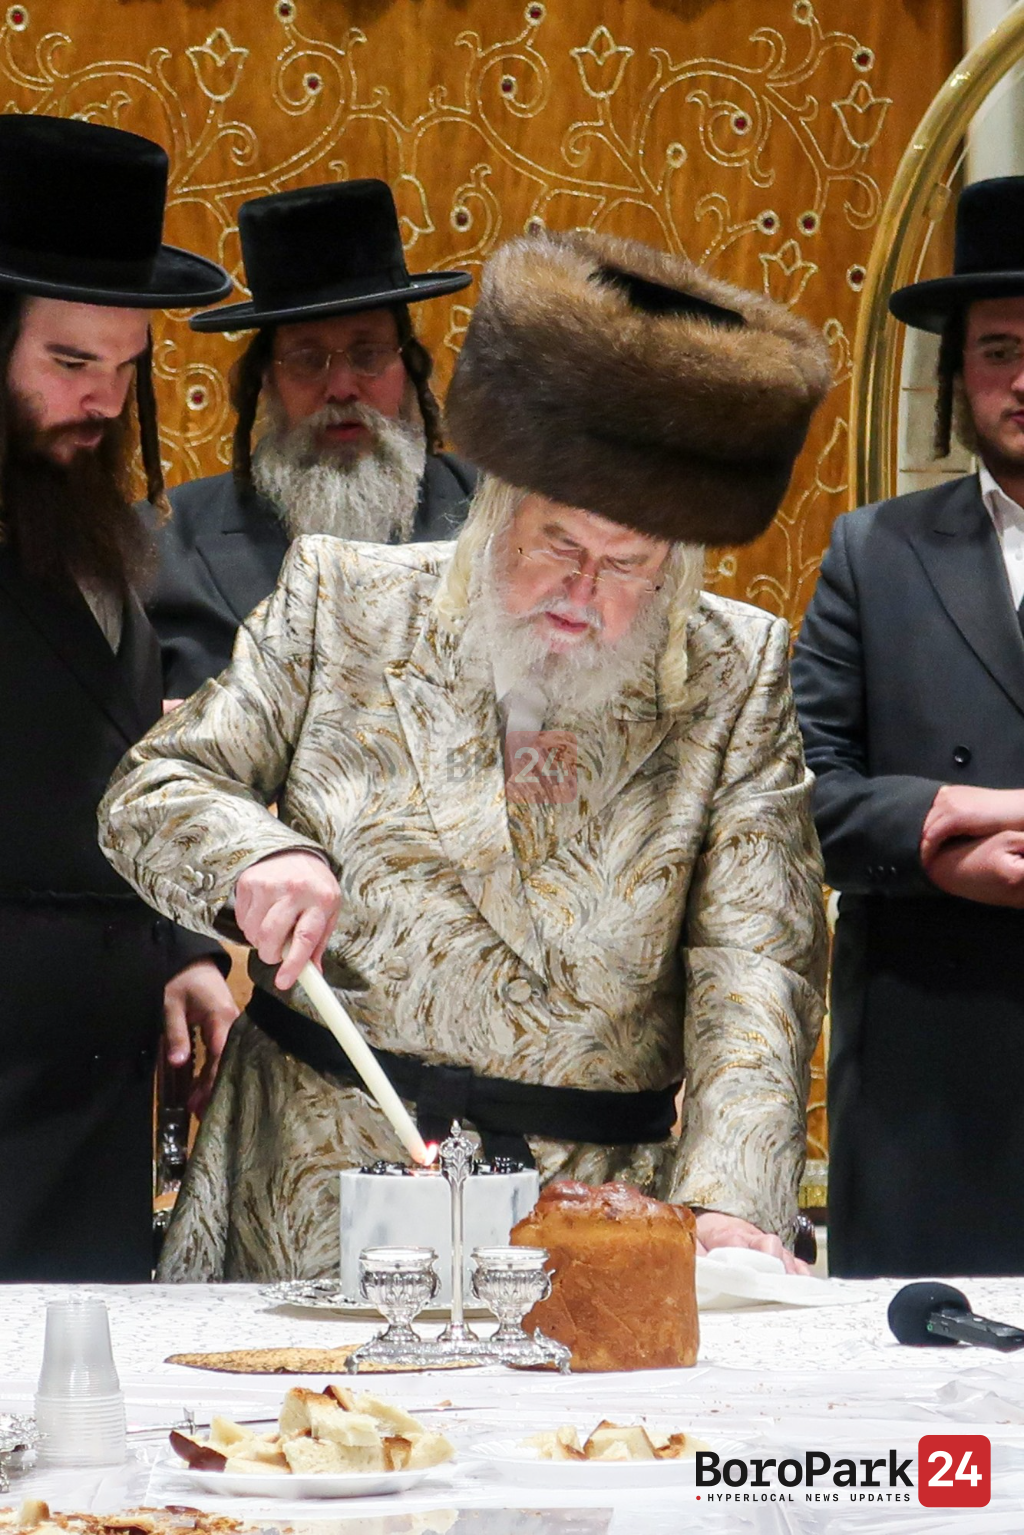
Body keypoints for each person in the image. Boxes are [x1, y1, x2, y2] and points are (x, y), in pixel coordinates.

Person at [99, 228, 832, 1282]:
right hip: (311, 1181)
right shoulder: (346, 600)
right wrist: (254, 853)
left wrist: (728, 1201)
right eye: (557, 545)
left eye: (629, 564)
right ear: (494, 513)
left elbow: (754, 959)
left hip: (590, 1202)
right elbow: (154, 789)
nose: (583, 593)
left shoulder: (731, 667)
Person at [0, 113, 240, 1280]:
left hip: (96, 1083)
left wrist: (178, 946)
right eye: (69, 363)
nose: (104, 400)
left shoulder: (99, 527)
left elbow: (120, 763)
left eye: (126, 368)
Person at [793, 176, 1024, 1278]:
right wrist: (951, 836)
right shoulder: (873, 552)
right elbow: (801, 793)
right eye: (997, 350)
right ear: (958, 374)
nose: (1023, 378)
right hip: (929, 1083)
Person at [146, 179, 477, 698]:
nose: (341, 387)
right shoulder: (163, 547)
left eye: (368, 354)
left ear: (409, 366)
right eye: (307, 359)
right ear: (266, 379)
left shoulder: (495, 518)